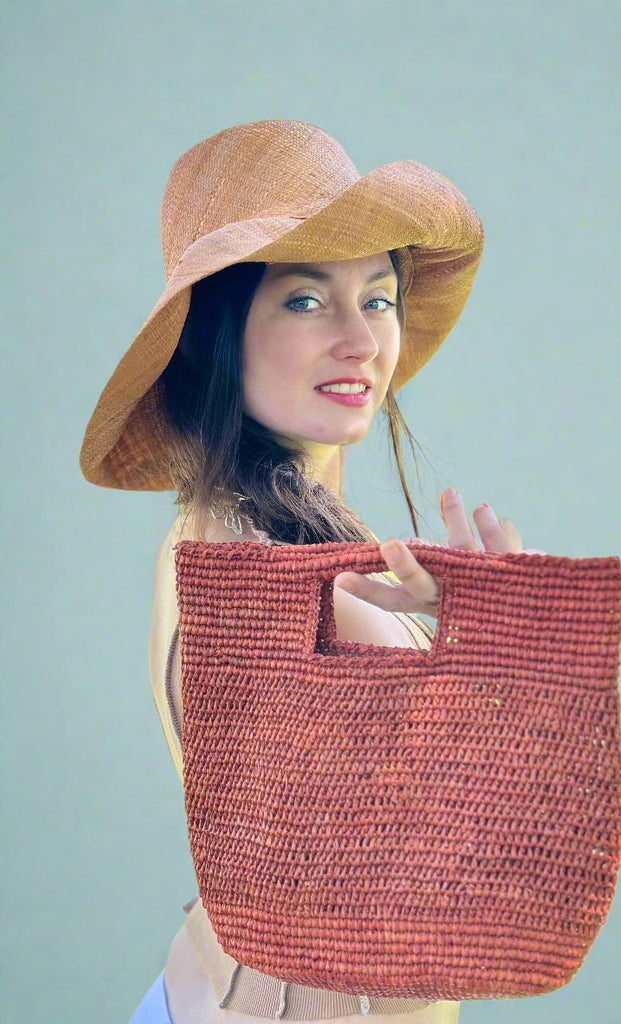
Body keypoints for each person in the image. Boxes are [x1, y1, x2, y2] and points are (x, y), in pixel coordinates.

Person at [80, 120, 542, 1024]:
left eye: (377, 297)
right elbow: (472, 866)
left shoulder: (240, 534)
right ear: (219, 335)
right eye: (303, 300)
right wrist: (501, 649)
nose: (362, 340)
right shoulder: (274, 575)